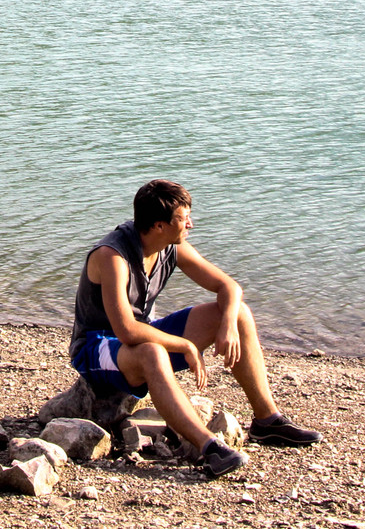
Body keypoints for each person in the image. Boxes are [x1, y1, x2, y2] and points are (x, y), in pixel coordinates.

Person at [70, 179, 321, 477]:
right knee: (151, 352)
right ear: (159, 225)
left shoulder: (170, 246)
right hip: (95, 348)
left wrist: (227, 325)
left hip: (139, 335)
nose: (190, 223)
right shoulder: (112, 256)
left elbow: (228, 286)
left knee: (237, 311)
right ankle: (208, 448)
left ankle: (267, 421)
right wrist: (185, 345)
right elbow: (125, 331)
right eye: (183, 218)